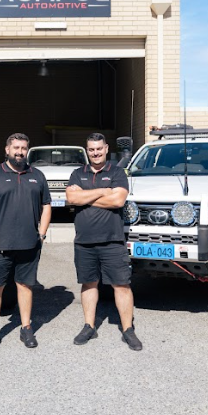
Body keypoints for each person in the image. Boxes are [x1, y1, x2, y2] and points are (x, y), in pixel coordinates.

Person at [0, 133, 52, 354]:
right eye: (16, 148)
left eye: (23, 148)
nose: (20, 152)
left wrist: (41, 234)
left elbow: (46, 206)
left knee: (25, 285)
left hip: (29, 244)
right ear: (7, 150)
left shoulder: (37, 176)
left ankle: (26, 328)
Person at [65, 133, 142, 351]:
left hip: (112, 240)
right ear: (87, 150)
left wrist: (85, 197)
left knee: (121, 285)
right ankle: (89, 326)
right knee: (88, 283)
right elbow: (71, 198)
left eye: (99, 148)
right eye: (91, 149)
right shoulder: (77, 173)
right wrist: (101, 192)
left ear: (106, 148)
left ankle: (128, 330)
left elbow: (117, 201)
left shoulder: (117, 172)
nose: (95, 153)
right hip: (84, 241)